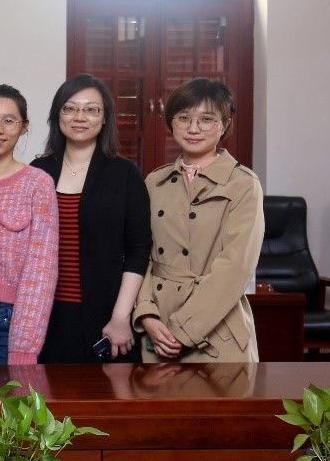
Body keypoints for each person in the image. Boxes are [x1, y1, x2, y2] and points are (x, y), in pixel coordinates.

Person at [134, 78, 263, 362]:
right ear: (171, 123)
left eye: (206, 119)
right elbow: (139, 254)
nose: (193, 129)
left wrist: (182, 330)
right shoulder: (154, 182)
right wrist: (145, 313)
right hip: (157, 330)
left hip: (217, 332)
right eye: (184, 118)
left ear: (224, 124)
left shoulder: (244, 184)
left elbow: (236, 267)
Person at [32, 74, 151, 363]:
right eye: (70, 108)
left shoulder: (125, 174)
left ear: (105, 117)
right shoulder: (38, 171)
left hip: (105, 316)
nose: (80, 117)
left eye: (91, 109)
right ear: (57, 115)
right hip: (44, 315)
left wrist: (121, 317)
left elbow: (138, 251)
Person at [0, 85, 58, 365]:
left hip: (10, 316)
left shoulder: (38, 184)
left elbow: (41, 270)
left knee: (9, 392)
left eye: (9, 121)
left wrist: (24, 346)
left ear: (24, 127)